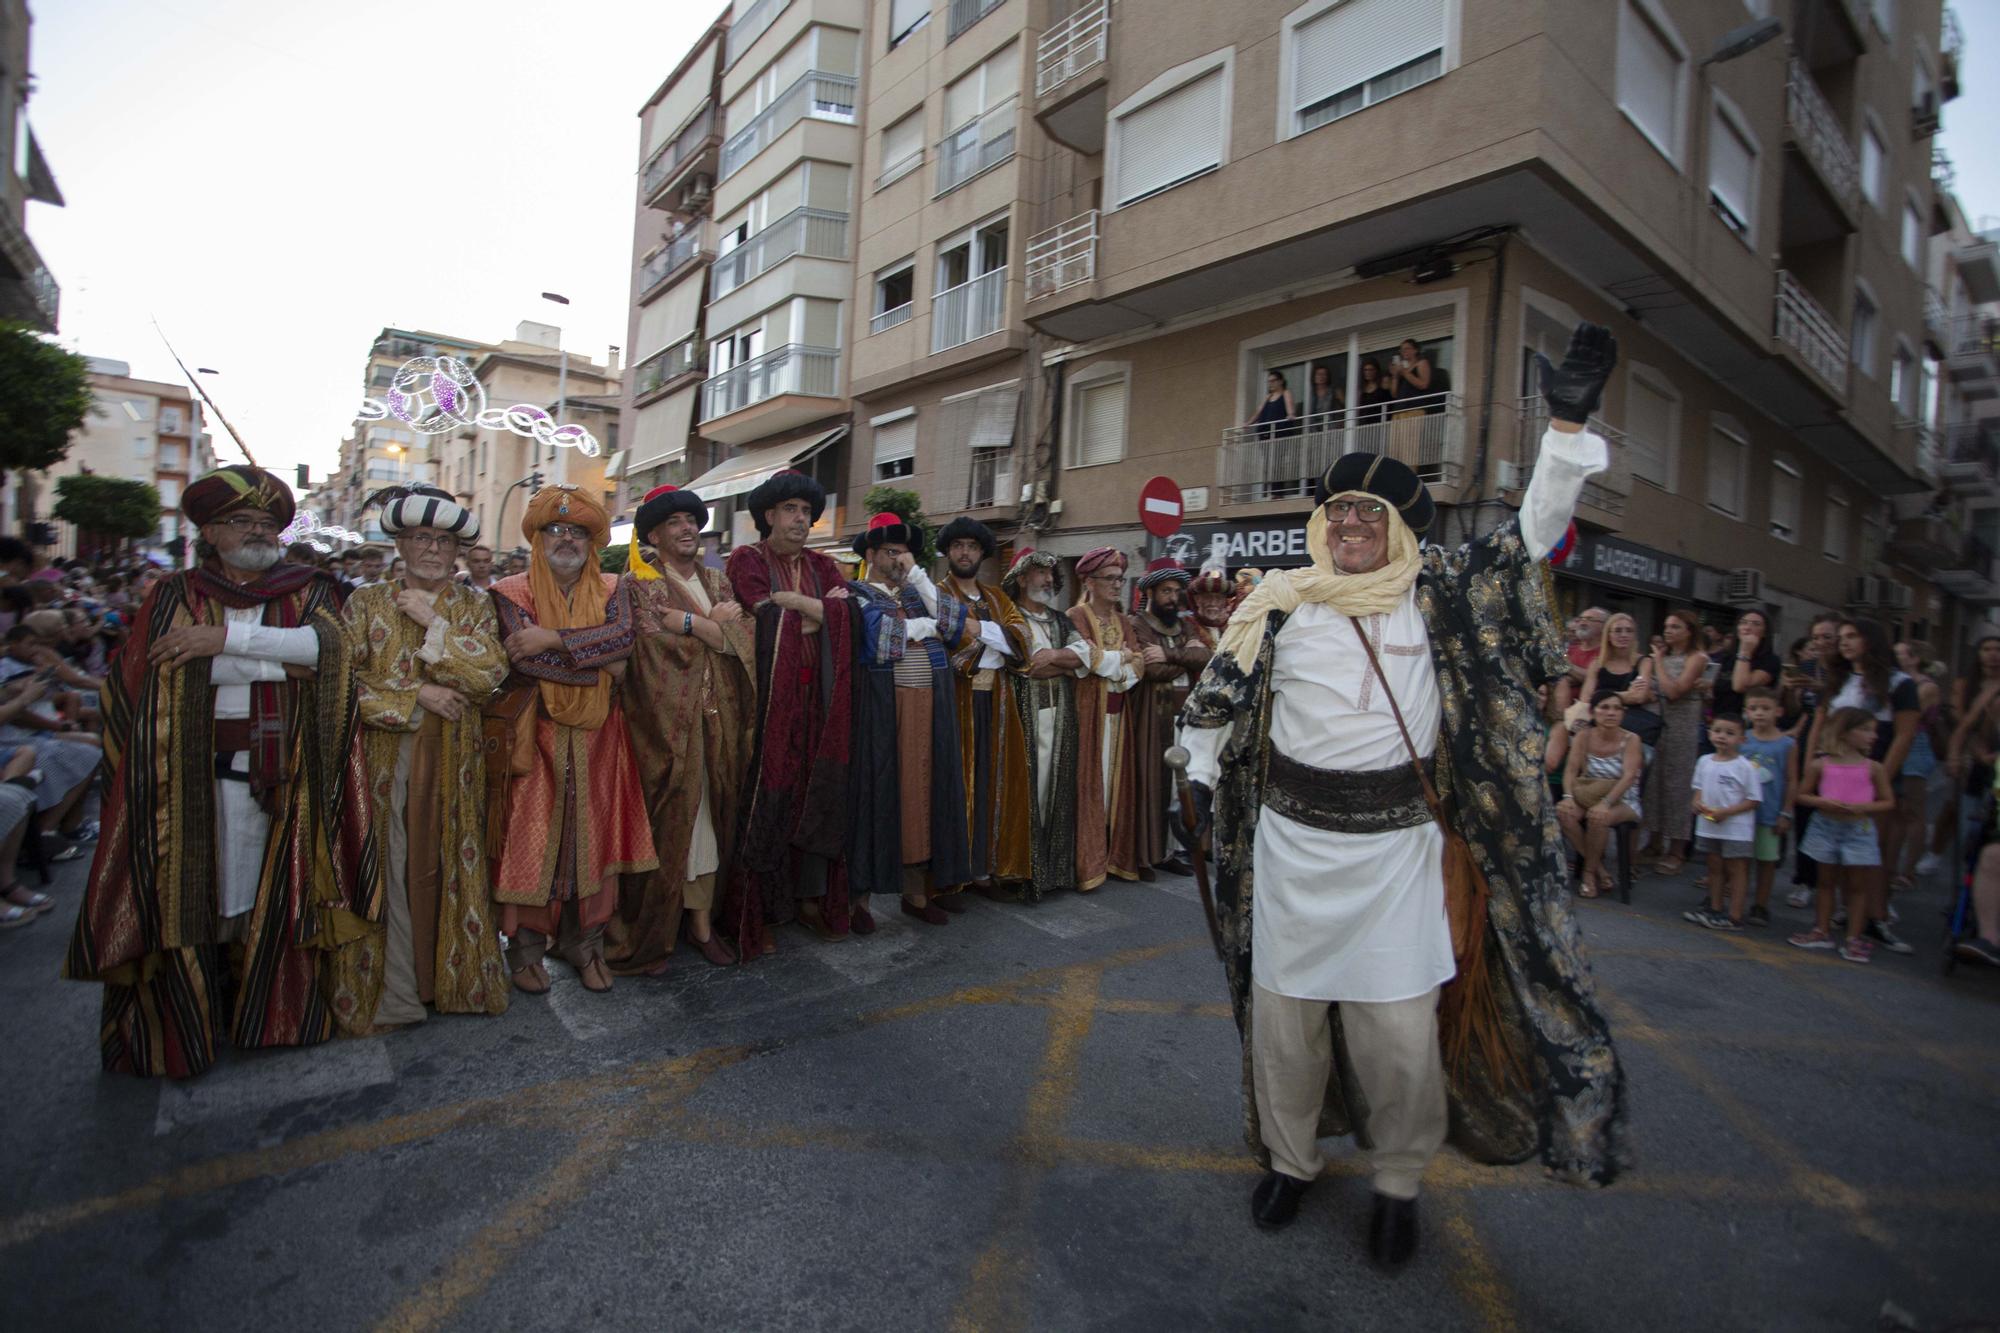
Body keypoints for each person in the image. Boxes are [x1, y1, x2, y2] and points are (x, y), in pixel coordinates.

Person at [1180, 323, 1628, 1264]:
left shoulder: (1444, 594)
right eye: (1336, 514)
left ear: (1397, 531)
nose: (1347, 529)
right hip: (1292, 845)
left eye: (1364, 518)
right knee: (1287, 1026)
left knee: (1397, 1036)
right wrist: (1199, 761)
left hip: (1396, 850)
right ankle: (1291, 1161)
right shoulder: (1281, 602)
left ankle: (1396, 1182)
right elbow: (1220, 698)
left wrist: (1567, 427)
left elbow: (1532, 537)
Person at [62, 466, 376, 1078]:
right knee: (200, 894)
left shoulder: (307, 588)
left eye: (268, 522)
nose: (258, 532)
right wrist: (278, 660)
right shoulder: (176, 593)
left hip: (288, 773)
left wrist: (223, 640)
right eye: (242, 521)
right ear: (209, 530)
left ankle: (271, 1014)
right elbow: (163, 673)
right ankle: (194, 1020)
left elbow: (332, 652)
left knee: (272, 892)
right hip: (189, 778)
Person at [331, 487, 509, 1029]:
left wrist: (434, 621)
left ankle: (455, 984)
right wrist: (416, 697)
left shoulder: (475, 604)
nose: (433, 549)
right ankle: (396, 994)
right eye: (422, 538)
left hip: (457, 758)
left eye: (443, 540)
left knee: (452, 860)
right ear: (401, 544)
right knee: (390, 863)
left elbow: (491, 675)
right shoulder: (365, 602)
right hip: (386, 756)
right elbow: (340, 684)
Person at [488, 485, 658, 996]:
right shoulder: (509, 592)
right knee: (532, 843)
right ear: (538, 539)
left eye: (577, 532)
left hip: (600, 741)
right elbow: (523, 658)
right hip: (532, 737)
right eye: (556, 530)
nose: (566, 539)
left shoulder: (613, 588)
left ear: (591, 540)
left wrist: (555, 639)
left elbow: (624, 640)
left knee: (593, 839)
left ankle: (585, 945)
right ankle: (525, 952)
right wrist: (600, 663)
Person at [605, 486, 756, 973]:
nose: (688, 528)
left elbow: (743, 643)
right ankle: (663, 926)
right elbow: (651, 654)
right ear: (654, 534)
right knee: (675, 826)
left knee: (714, 820)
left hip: (720, 728)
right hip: (670, 732)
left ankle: (703, 922)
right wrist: (714, 629)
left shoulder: (719, 580)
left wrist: (690, 622)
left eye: (693, 520)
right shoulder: (638, 585)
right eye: (675, 522)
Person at [723, 470, 858, 951]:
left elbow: (850, 617)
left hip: (820, 701)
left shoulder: (823, 566)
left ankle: (809, 901)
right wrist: (823, 613)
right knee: (768, 798)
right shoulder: (746, 559)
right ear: (768, 516)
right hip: (767, 705)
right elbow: (763, 622)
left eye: (806, 512)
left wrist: (800, 603)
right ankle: (761, 911)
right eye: (791, 511)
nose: (801, 520)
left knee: (815, 797)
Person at [846, 513, 975, 927]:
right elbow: (881, 639)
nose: (900, 559)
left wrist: (919, 580)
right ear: (871, 554)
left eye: (906, 552)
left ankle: (916, 894)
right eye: (892, 551)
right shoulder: (855, 592)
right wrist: (924, 627)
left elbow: (956, 627)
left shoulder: (919, 592)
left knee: (922, 797)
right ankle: (858, 901)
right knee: (876, 795)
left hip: (930, 707)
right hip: (883, 709)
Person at [1808, 618, 1918, 954]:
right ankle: (1843, 914)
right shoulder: (1839, 680)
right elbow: (1820, 728)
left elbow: (1904, 734)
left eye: (1852, 636)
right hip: (1834, 778)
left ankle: (1875, 916)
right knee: (1835, 851)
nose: (1844, 642)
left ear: (1871, 640)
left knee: (1872, 854)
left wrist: (1879, 778)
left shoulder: (1900, 683)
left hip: (1873, 779)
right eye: (1841, 637)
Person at [936, 517, 1029, 899]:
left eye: (972, 546)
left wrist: (981, 633)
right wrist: (994, 640)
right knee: (954, 785)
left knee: (992, 782)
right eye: (958, 545)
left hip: (997, 702)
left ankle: (984, 869)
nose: (964, 552)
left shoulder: (996, 597)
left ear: (981, 552)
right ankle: (950, 874)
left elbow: (1022, 637)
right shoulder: (938, 594)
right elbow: (948, 639)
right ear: (948, 551)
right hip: (953, 701)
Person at [1000, 549, 1093, 902]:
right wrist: (1063, 663)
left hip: (1060, 715)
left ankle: (1052, 871)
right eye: (1039, 572)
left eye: (1051, 573)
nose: (1047, 579)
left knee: (1055, 789)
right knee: (1026, 791)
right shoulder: (1011, 617)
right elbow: (1026, 667)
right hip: (1024, 717)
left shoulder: (1060, 620)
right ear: (1022, 577)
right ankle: (1023, 871)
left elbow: (1082, 656)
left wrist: (1054, 657)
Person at [1788, 709, 1894, 963]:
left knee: (1857, 886)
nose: (1873, 736)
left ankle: (1853, 938)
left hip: (1858, 828)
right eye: (1866, 730)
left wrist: (1863, 808)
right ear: (1845, 733)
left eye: (1874, 731)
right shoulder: (1821, 764)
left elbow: (1888, 801)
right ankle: (1821, 930)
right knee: (1825, 881)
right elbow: (1802, 795)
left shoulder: (1873, 768)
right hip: (1826, 824)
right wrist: (1823, 801)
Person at [1130, 559, 1214, 878]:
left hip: (1184, 715)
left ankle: (1172, 851)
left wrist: (1169, 654)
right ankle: (1148, 854)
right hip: (1152, 714)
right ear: (1150, 591)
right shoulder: (1137, 624)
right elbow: (1150, 670)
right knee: (1152, 782)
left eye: (1177, 591)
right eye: (1166, 590)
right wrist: (1186, 657)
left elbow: (1206, 658)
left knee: (1178, 785)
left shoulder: (1187, 625)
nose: (1172, 597)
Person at [1069, 548, 1143, 888]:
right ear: (1089, 581)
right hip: (1088, 715)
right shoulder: (1076, 617)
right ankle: (1087, 862)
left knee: (1113, 785)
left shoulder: (1124, 621)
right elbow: (1088, 661)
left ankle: (1113, 857)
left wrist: (1118, 668)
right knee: (1088, 784)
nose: (1117, 586)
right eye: (1110, 579)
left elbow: (1138, 664)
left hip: (1118, 715)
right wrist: (1119, 659)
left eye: (1120, 579)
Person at [1557, 691, 1643, 899]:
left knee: (1599, 817)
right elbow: (1570, 770)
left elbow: (1629, 777)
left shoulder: (1631, 739)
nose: (1611, 713)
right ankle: (1600, 870)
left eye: (1616, 708)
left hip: (1622, 798)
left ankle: (1588, 875)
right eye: (1604, 707)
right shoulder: (1583, 736)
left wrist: (1606, 803)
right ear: (1593, 712)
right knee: (1563, 813)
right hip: (1589, 793)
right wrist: (1568, 797)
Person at [1685, 714, 1765, 931]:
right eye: (1718, 731)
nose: (1722, 737)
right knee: (1714, 866)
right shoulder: (1704, 761)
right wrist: (1698, 804)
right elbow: (1698, 789)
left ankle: (1735, 915)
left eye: (1730, 733)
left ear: (1742, 739)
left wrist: (1727, 812)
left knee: (1737, 870)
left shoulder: (1745, 767)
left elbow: (1753, 800)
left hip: (1736, 829)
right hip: (1709, 824)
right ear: (1710, 734)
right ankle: (1715, 907)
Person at [1645, 608, 1708, 876]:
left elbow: (1673, 691)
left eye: (1676, 627)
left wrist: (1657, 660)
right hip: (1658, 722)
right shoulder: (1665, 656)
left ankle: (1677, 849)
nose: (1669, 631)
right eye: (1667, 626)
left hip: (1682, 725)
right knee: (1655, 782)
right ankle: (1654, 841)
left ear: (1689, 631)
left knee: (1678, 785)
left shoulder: (1697, 657)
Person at [1737, 687, 1797, 927]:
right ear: (1746, 712)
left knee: (1766, 861)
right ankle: (1734, 903)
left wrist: (1786, 812)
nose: (1759, 714)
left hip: (1770, 812)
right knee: (1739, 859)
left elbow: (1792, 779)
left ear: (1778, 711)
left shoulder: (1786, 745)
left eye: (1765, 708)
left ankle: (1760, 905)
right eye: (1753, 709)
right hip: (1741, 812)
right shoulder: (1741, 739)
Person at [1886, 640, 1943, 892]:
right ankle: (1892, 867)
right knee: (1897, 810)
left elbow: (1907, 712)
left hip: (1916, 747)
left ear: (1914, 658)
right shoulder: (1897, 682)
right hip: (1897, 743)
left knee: (1914, 811)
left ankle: (1909, 870)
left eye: (1900, 654)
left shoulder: (1925, 686)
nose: (1895, 658)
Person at [1579, 612, 1658, 747]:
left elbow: (1639, 696)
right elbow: (1585, 699)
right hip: (1598, 727)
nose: (1623, 635)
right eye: (1617, 631)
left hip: (1631, 729)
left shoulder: (1644, 662)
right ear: (1608, 635)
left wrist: (1600, 695)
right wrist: (1626, 695)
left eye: (1629, 631)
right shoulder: (1597, 664)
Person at [1710, 609, 1780, 723]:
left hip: (1748, 725)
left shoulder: (1770, 660)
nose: (1747, 627)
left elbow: (1740, 686)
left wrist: (1745, 650)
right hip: (1720, 722)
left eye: (1756, 624)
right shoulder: (1726, 657)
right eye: (1743, 622)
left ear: (1765, 632)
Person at [1566, 606, 1608, 685]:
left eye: (1590, 619)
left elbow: (1596, 678)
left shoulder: (1607, 652)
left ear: (1604, 626)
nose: (1582, 623)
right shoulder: (1569, 650)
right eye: (1581, 619)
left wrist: (1567, 666)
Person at [1189, 569, 1232, 635]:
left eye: (1218, 598)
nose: (1213, 603)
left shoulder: (1232, 628)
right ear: (1197, 600)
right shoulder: (1188, 626)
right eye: (1208, 597)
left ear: (1224, 601)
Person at [1354, 358, 1393, 426]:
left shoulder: (1383, 383)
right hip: (1364, 425)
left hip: (1381, 422)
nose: (1368, 372)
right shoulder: (1361, 389)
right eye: (1365, 370)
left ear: (1376, 371)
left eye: (1371, 370)